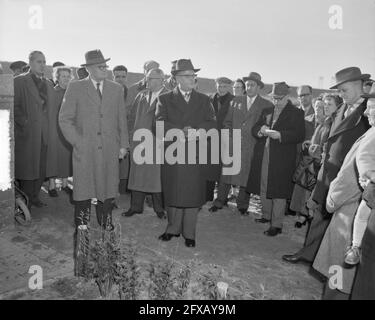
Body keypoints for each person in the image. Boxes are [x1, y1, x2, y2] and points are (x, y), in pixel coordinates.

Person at [282, 67, 371, 269]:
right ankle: (309, 254)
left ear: (359, 86)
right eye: (339, 91)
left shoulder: (367, 112)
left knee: (341, 227)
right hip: (327, 172)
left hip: (349, 178)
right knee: (319, 217)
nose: (341, 95)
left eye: (344, 90)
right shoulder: (343, 109)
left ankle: (331, 266)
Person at [59, 49, 129, 231]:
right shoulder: (75, 87)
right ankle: (82, 222)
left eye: (105, 65)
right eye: (100, 66)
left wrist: (123, 145)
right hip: (85, 148)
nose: (105, 69)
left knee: (107, 187)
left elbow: (122, 119)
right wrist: (78, 142)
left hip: (109, 148)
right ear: (89, 68)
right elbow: (65, 119)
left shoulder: (116, 89)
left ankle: (105, 220)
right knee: (83, 188)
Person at [312, 94, 374, 300]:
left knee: (337, 270)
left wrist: (332, 202)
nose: (366, 112)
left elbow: (350, 175)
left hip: (350, 211)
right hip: (358, 209)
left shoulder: (372, 138)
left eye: (372, 108)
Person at [155, 59, 216, 248]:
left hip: (195, 154)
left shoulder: (204, 99)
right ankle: (172, 229)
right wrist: (180, 131)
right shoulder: (164, 99)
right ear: (177, 78)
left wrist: (197, 132)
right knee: (173, 192)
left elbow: (212, 123)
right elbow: (158, 124)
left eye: (193, 75)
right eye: (188, 75)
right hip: (173, 153)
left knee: (192, 194)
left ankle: (190, 233)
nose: (193, 78)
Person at [210, 72, 273, 215]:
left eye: (252, 85)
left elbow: (266, 126)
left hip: (251, 145)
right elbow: (227, 122)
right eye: (248, 85)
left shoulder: (266, 105)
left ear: (258, 87)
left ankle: (243, 205)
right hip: (233, 143)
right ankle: (220, 201)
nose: (249, 87)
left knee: (246, 176)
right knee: (226, 174)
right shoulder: (236, 101)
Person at [247, 82, 305, 236]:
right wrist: (261, 130)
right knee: (264, 184)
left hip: (282, 157)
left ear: (287, 97)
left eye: (279, 98)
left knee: (278, 190)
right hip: (264, 154)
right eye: (274, 98)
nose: (276, 101)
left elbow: (299, 134)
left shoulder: (296, 113)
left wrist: (281, 135)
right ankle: (266, 215)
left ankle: (277, 224)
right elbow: (254, 129)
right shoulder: (267, 110)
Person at [122, 68, 169, 219]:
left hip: (158, 144)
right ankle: (136, 207)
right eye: (147, 78)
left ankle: (159, 209)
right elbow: (130, 119)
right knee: (137, 176)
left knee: (157, 178)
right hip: (138, 143)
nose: (147, 81)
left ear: (162, 80)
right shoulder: (141, 95)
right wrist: (129, 139)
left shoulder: (169, 96)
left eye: (151, 78)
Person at [14, 50, 55, 209]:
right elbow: (14, 106)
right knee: (27, 169)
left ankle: (35, 197)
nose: (42, 64)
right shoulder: (19, 81)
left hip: (45, 134)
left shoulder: (48, 83)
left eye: (44, 61)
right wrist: (24, 122)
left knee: (41, 168)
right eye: (39, 61)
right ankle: (25, 201)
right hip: (28, 134)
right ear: (30, 63)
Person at [290, 98, 326, 225]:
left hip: (317, 160)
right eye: (316, 106)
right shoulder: (307, 119)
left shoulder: (329, 123)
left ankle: (308, 215)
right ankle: (302, 213)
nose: (318, 109)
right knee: (302, 186)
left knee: (312, 187)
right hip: (305, 157)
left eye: (321, 107)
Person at [46, 66, 73, 197]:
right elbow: (49, 113)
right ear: (57, 78)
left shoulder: (72, 93)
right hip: (54, 130)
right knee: (53, 157)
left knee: (66, 157)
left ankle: (64, 184)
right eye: (63, 76)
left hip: (67, 130)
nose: (66, 79)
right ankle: (51, 186)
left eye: (68, 76)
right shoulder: (52, 92)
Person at [206, 77, 234, 202]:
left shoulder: (234, 101)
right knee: (209, 169)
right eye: (219, 85)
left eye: (224, 86)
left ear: (228, 87)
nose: (221, 88)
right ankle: (208, 197)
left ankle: (221, 200)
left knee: (224, 171)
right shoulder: (208, 99)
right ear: (215, 85)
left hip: (226, 139)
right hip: (209, 139)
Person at [113, 65, 131, 194]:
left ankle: (121, 188)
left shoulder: (132, 94)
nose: (120, 79)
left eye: (123, 76)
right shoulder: (106, 92)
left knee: (123, 165)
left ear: (126, 77)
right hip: (110, 135)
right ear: (113, 76)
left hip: (125, 135)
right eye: (117, 76)